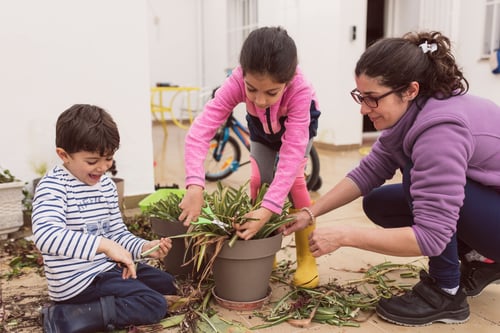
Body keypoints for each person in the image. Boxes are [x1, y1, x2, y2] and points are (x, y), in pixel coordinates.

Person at [281, 30, 500, 327]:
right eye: (360, 96)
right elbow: (368, 172)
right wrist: (311, 212)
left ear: (410, 90)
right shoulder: (415, 113)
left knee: (416, 177)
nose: (363, 109)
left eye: (372, 99)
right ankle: (481, 258)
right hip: (491, 201)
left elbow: (432, 237)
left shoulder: (439, 130)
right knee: (378, 202)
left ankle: (445, 292)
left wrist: (344, 236)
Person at [179, 26, 321, 288]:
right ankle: (266, 247)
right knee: (259, 180)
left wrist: (269, 209)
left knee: (294, 181)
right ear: (243, 73)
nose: (260, 99)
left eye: (272, 92)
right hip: (261, 129)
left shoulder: (300, 90)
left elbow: (290, 157)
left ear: (288, 82)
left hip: (297, 128)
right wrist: (195, 184)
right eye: (252, 89)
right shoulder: (236, 81)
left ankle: (306, 256)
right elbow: (199, 133)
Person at [32, 104, 177, 332]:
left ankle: (105, 304)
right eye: (92, 161)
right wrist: (104, 246)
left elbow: (117, 234)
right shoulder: (53, 187)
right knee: (154, 304)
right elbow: (46, 236)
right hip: (78, 281)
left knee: (167, 284)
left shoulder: (106, 185)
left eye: (108, 159)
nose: (102, 167)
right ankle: (66, 317)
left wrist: (145, 247)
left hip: (107, 269)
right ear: (64, 155)